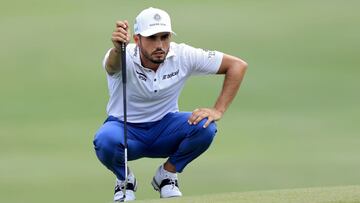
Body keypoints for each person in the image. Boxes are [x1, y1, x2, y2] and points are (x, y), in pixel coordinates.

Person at [93, 7, 247, 202]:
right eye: (152, 38)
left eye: (164, 37)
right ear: (137, 39)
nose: (160, 45)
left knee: (205, 126)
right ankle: (125, 180)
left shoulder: (182, 54)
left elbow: (237, 65)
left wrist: (218, 109)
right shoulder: (122, 55)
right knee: (105, 139)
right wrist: (117, 49)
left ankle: (167, 175)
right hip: (125, 132)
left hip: (165, 130)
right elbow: (112, 66)